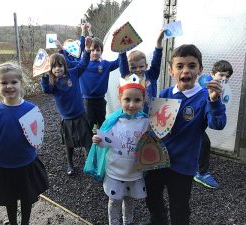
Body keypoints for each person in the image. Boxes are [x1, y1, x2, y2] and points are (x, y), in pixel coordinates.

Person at [145, 44, 227, 225]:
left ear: (200, 70)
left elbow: (218, 124)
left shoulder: (206, 96)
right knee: (151, 197)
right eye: (180, 66)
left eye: (191, 65)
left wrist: (214, 102)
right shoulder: (166, 93)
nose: (186, 70)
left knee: (179, 208)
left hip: (182, 166)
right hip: (157, 161)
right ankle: (158, 220)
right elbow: (155, 127)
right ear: (171, 70)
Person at [0, 62, 49, 225]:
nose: (9, 86)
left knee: (27, 198)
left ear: (21, 83)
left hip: (27, 164)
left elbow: (37, 134)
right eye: (4, 82)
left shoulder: (31, 109)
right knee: (10, 200)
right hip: (5, 166)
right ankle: (13, 222)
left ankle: (25, 222)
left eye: (13, 82)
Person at [92, 74, 149, 225]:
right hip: (115, 171)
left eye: (137, 100)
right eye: (127, 99)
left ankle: (127, 221)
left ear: (143, 100)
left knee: (129, 200)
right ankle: (114, 222)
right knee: (114, 201)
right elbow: (106, 142)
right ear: (120, 99)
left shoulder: (145, 122)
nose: (131, 104)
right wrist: (98, 141)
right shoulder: (113, 120)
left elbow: (151, 144)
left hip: (134, 171)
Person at [40, 36, 93, 176]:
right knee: (69, 144)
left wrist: (86, 51)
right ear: (50, 69)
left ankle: (89, 162)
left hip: (80, 114)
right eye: (54, 66)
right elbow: (45, 90)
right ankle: (70, 164)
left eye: (60, 65)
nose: (57, 69)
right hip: (66, 118)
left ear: (65, 66)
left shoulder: (73, 73)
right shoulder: (52, 83)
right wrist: (44, 76)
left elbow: (83, 64)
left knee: (87, 140)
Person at [194, 60, 233, 188]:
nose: (224, 78)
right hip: (191, 122)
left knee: (202, 142)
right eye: (221, 75)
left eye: (227, 76)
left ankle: (198, 170)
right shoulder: (206, 87)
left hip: (198, 124)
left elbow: (216, 121)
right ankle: (201, 173)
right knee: (203, 143)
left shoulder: (220, 90)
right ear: (212, 73)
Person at [79, 36, 122, 129]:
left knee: (102, 123)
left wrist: (121, 48)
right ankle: (89, 143)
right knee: (88, 124)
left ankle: (102, 142)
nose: (95, 52)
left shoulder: (105, 64)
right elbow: (79, 51)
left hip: (100, 101)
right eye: (92, 50)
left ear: (101, 51)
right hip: (87, 101)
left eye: (98, 50)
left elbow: (119, 62)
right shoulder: (82, 65)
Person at [119, 29, 165, 114]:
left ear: (146, 66)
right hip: (134, 117)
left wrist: (159, 42)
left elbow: (156, 60)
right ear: (129, 68)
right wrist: (122, 50)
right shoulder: (128, 77)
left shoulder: (151, 75)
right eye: (134, 67)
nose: (138, 69)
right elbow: (123, 63)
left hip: (151, 116)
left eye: (141, 66)